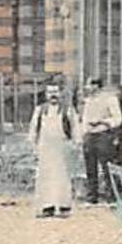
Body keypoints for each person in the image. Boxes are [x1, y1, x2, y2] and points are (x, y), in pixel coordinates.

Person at [28, 83, 76, 218]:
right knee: (45, 176)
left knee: (62, 176)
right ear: (46, 94)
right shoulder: (40, 110)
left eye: (55, 91)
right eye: (50, 92)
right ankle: (46, 206)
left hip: (62, 147)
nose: (53, 95)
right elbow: (33, 129)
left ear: (60, 93)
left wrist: (75, 144)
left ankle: (63, 206)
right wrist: (33, 146)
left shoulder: (68, 110)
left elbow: (74, 128)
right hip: (45, 148)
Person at [79, 76, 122, 205]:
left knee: (107, 167)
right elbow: (85, 119)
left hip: (104, 135)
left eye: (91, 85)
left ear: (97, 86)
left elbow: (118, 119)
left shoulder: (110, 99)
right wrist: (84, 133)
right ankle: (92, 196)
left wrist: (103, 121)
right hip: (90, 136)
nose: (88, 88)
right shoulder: (88, 101)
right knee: (90, 167)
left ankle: (111, 196)